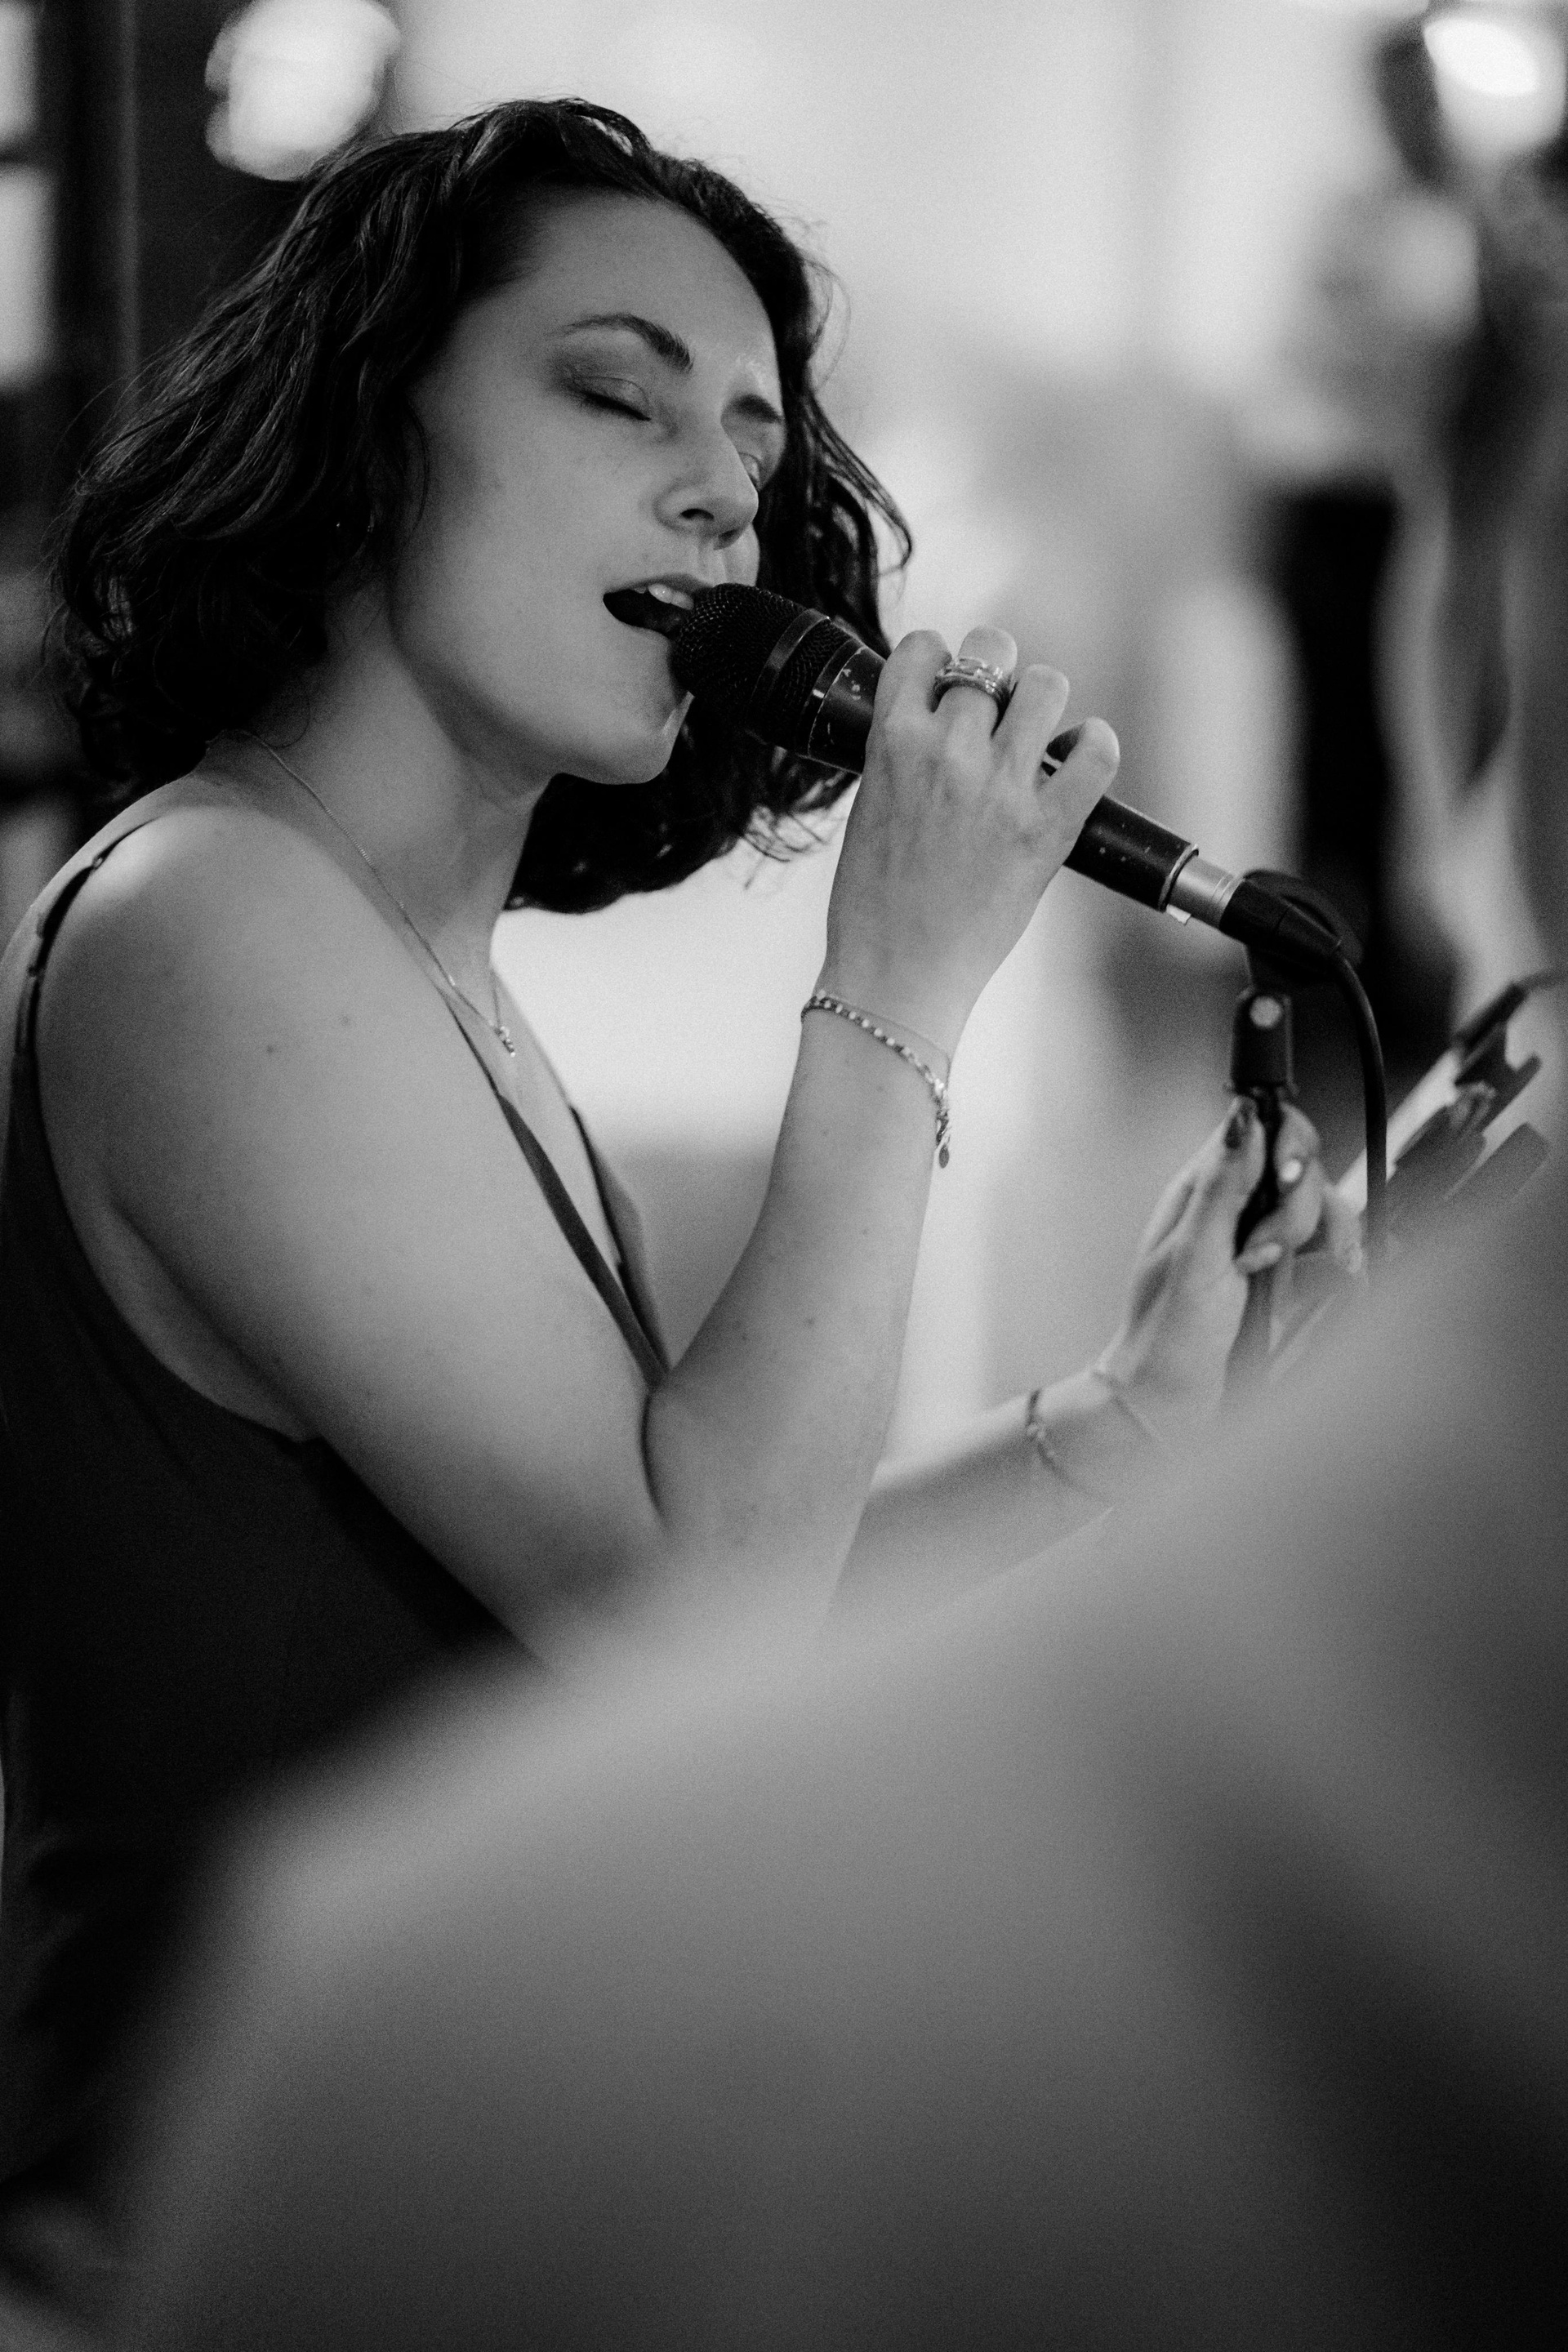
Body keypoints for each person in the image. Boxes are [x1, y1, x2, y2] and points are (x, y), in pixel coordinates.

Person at [0, 99, 1343, 2328]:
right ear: (366, 437)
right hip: (217, 2245)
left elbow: (706, 1594)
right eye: (618, 395)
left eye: (751, 439)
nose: (724, 490)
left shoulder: (415, 968)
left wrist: (1106, 1427)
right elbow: (689, 1615)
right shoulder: (213, 920)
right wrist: (899, 983)